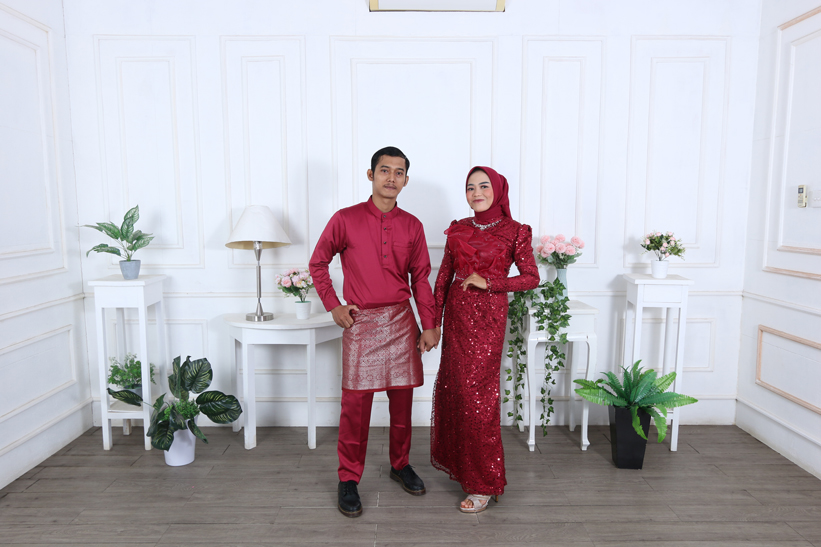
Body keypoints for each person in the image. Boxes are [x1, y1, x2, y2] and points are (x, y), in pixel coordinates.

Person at [309, 146, 441, 518]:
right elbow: (318, 263)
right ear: (371, 175)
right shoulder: (345, 219)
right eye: (384, 170)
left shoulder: (412, 225)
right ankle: (348, 478)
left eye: (399, 173)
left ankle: (401, 464)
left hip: (401, 322)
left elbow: (421, 279)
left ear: (406, 180)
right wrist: (333, 304)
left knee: (402, 403)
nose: (391, 178)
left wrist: (429, 325)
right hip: (360, 322)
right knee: (355, 407)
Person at [430, 166, 539, 513]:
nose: (476, 193)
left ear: (499, 190)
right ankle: (466, 470)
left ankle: (484, 482)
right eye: (470, 187)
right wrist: (432, 324)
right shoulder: (458, 228)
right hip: (457, 319)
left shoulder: (516, 231)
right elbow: (443, 278)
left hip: (488, 320)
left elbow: (531, 277)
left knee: (478, 398)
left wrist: (489, 282)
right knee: (456, 392)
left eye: (484, 186)